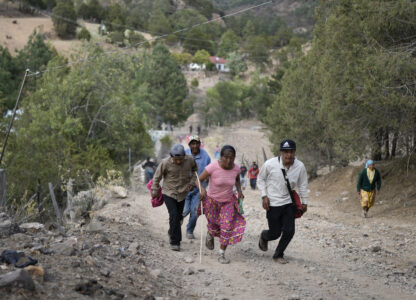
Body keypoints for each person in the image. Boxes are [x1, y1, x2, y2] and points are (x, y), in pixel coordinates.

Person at [257, 139, 308, 264]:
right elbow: (261, 179)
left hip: (288, 203)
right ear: (280, 152)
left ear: (295, 152)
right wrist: (264, 196)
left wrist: (304, 202)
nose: (288, 155)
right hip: (272, 203)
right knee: (275, 233)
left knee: (289, 231)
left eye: (291, 152)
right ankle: (264, 236)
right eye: (285, 152)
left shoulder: (300, 166)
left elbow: (303, 184)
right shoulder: (270, 164)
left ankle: (278, 254)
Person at [199, 145, 246, 264]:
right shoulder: (213, 167)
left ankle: (221, 254)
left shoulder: (236, 168)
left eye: (232, 158)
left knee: (227, 226)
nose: (229, 160)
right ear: (221, 157)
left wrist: (239, 191)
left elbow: (237, 179)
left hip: (228, 201)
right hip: (212, 201)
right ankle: (210, 233)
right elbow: (198, 179)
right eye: (226, 157)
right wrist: (202, 189)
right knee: (214, 225)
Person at [152, 144, 197, 251]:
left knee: (179, 217)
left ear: (184, 157)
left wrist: (192, 182)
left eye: (180, 159)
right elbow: (157, 177)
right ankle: (175, 242)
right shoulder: (165, 163)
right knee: (174, 215)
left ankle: (171, 231)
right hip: (169, 192)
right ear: (171, 157)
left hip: (183, 193)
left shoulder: (190, 160)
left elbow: (195, 170)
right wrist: (154, 189)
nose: (178, 161)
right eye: (176, 159)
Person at [183, 136, 211, 239]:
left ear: (200, 144)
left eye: (196, 143)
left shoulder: (205, 156)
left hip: (199, 189)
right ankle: (175, 225)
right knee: (184, 211)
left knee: (195, 211)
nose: (194, 146)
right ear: (189, 145)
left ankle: (189, 230)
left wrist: (206, 186)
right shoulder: (184, 154)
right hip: (185, 188)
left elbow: (209, 171)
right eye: (192, 143)